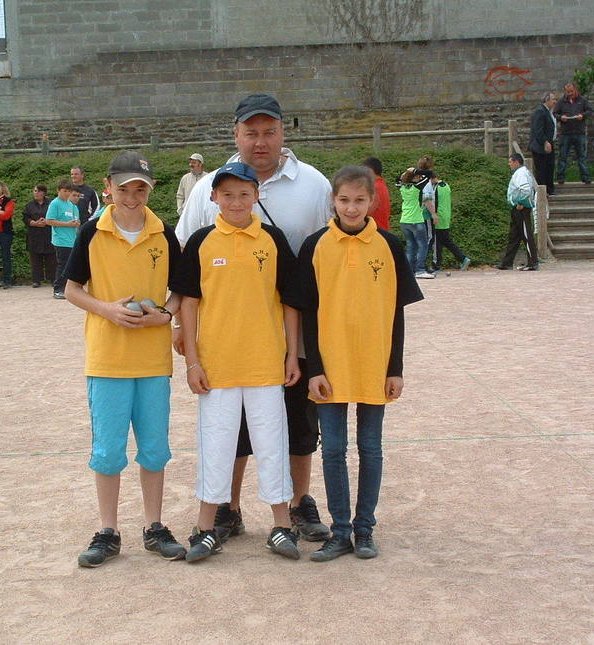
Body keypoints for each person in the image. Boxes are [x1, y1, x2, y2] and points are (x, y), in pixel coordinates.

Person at [175, 93, 333, 543]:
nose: (260, 141)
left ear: (283, 132)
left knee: (299, 429)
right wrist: (179, 328)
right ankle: (228, 509)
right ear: (236, 134)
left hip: (291, 336)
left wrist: (302, 344)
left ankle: (298, 506)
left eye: (269, 132)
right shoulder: (210, 194)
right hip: (227, 345)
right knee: (233, 432)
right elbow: (184, 264)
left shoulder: (315, 184)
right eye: (251, 132)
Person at [172, 162, 302, 562]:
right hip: (217, 367)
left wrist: (292, 353)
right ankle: (206, 527)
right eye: (227, 194)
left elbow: (289, 303)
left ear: (257, 196)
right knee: (217, 445)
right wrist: (193, 362)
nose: (236, 201)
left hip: (266, 364)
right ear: (213, 197)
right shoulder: (200, 242)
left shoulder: (274, 241)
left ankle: (281, 526)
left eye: (245, 194)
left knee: (271, 444)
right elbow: (188, 305)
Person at [63, 151, 186, 567]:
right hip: (107, 360)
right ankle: (108, 531)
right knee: (109, 451)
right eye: (124, 189)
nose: (132, 197)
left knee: (154, 450)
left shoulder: (164, 234)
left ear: (150, 190)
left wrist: (164, 315)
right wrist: (107, 310)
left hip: (152, 362)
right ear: (108, 187)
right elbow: (72, 289)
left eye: (141, 189)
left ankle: (154, 526)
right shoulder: (90, 233)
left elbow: (182, 290)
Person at [299, 166, 423, 561]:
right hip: (331, 368)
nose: (351, 208)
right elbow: (307, 313)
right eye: (344, 200)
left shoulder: (389, 245)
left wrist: (395, 368)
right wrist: (314, 368)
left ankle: (365, 529)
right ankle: (340, 532)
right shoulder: (315, 245)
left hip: (373, 364)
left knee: (371, 448)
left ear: (373, 202)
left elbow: (397, 313)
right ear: (332, 202)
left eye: (359, 200)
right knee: (333, 450)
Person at [497, 154, 539, 271]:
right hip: (517, 208)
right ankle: (507, 262)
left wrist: (520, 202)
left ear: (516, 162)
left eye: (510, 162)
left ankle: (533, 262)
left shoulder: (520, 173)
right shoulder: (521, 172)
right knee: (514, 236)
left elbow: (525, 189)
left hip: (521, 208)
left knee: (526, 235)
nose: (509, 164)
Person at [44, 178, 80, 300]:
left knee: (71, 265)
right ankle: (58, 289)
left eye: (69, 191)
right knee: (62, 264)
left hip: (72, 239)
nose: (67, 194)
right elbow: (49, 220)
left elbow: (76, 220)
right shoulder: (55, 203)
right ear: (58, 190)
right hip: (60, 239)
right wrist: (67, 224)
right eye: (65, 191)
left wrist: (76, 224)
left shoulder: (73, 206)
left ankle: (68, 288)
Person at [429, 175, 471, 271]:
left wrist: (433, 214)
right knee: (445, 241)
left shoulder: (436, 187)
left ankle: (436, 264)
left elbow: (434, 202)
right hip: (446, 216)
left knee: (437, 242)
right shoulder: (446, 185)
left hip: (438, 217)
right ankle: (462, 259)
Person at [555, 82, 593, 185]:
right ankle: (560, 177)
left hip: (579, 132)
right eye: (568, 92)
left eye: (571, 91)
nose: (570, 93)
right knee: (563, 156)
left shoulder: (582, 100)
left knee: (581, 156)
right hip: (565, 133)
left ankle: (585, 177)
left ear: (575, 89)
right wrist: (561, 117)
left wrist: (583, 115)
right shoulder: (561, 102)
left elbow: (590, 111)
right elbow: (555, 113)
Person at [398, 169, 432, 279]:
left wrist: (407, 172)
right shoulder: (417, 188)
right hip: (416, 220)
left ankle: (409, 271)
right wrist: (415, 170)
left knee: (411, 245)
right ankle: (420, 270)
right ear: (414, 178)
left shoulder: (401, 187)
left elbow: (398, 179)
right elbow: (429, 174)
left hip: (404, 220)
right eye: (417, 176)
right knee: (423, 245)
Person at [22, 184, 55, 288]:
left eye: (38, 191)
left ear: (44, 192)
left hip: (48, 233)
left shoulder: (51, 203)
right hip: (34, 234)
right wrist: (34, 223)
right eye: (34, 191)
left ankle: (53, 279)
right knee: (35, 258)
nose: (36, 193)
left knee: (51, 258)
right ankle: (36, 280)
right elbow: (25, 217)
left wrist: (47, 221)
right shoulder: (29, 205)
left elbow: (56, 215)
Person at [529, 91, 558, 195]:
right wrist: (545, 141)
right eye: (553, 99)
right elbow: (538, 130)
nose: (555, 102)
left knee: (549, 168)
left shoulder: (549, 112)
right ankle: (542, 191)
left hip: (549, 143)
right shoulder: (540, 111)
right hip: (540, 146)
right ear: (547, 100)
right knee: (542, 169)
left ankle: (549, 189)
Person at [362, 156, 391, 230]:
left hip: (376, 230)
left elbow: (368, 211)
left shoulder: (375, 187)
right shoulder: (381, 184)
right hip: (381, 229)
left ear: (370, 170)